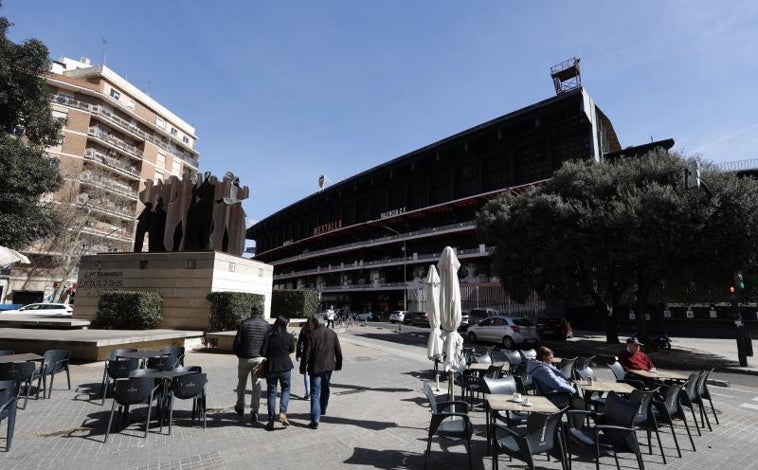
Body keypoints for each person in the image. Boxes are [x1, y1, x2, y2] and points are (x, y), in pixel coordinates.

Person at [301, 315, 342, 429]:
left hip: (315, 367)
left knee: (314, 393)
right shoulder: (332, 333)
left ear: (315, 323)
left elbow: (306, 354)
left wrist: (302, 367)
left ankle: (315, 420)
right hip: (329, 367)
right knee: (325, 388)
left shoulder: (311, 335)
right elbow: (338, 351)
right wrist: (338, 364)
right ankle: (323, 409)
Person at [234, 309, 269, 422]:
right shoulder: (266, 325)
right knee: (257, 385)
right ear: (261, 313)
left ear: (251, 312)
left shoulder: (244, 323)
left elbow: (237, 342)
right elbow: (267, 342)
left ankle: (240, 406)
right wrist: (264, 355)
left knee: (241, 383)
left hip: (244, 357)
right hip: (258, 358)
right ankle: (255, 410)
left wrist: (239, 354)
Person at [262, 316, 295, 430]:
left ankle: (271, 420)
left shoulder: (270, 336)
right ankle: (283, 413)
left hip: (271, 367)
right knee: (286, 389)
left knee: (271, 393)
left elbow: (263, 351)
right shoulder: (289, 336)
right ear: (285, 324)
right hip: (285, 367)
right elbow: (292, 349)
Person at [295, 318, 312, 400]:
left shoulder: (304, 329)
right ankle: (313, 392)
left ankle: (308, 393)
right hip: (316, 354)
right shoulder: (317, 330)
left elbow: (299, 343)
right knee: (313, 373)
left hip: (306, 354)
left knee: (306, 373)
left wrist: (298, 354)